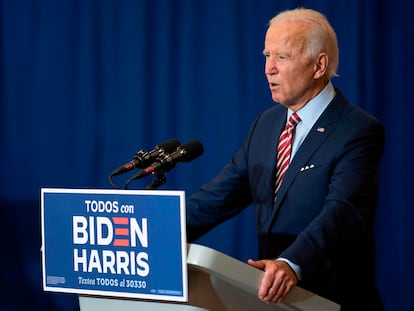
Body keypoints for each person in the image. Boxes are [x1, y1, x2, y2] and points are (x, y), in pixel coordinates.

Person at [186, 7, 384, 310]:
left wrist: (292, 262)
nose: (268, 68)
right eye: (267, 55)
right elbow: (217, 198)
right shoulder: (265, 126)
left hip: (332, 299)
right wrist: (153, 234)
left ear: (319, 65)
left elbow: (342, 211)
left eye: (282, 57)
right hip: (272, 301)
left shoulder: (357, 130)